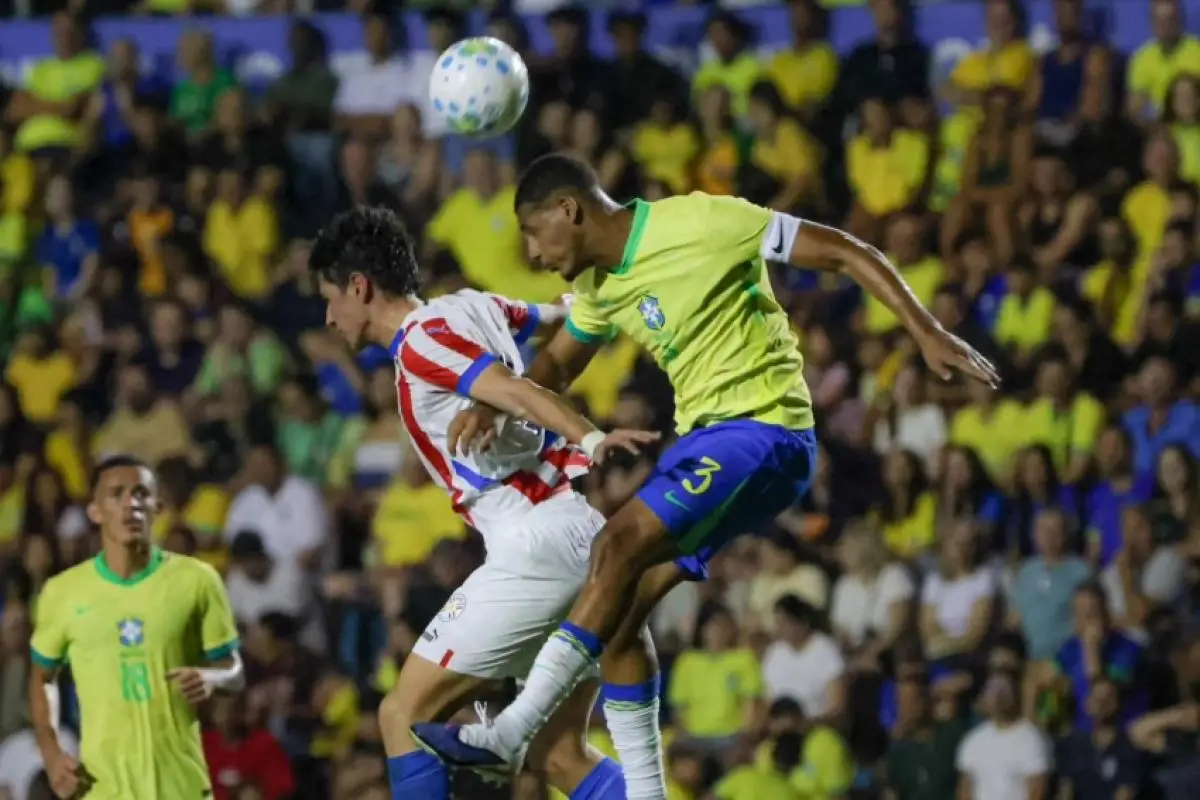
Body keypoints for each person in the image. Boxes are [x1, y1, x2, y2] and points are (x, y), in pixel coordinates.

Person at [413, 153, 999, 781]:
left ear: (569, 211)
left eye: (533, 232)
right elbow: (560, 362)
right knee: (621, 604)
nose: (531, 253)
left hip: (765, 429)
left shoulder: (702, 220)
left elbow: (843, 251)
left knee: (615, 545)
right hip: (706, 442)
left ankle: (512, 730)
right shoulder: (598, 286)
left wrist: (926, 330)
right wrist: (492, 404)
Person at [309, 207, 666, 800]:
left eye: (330, 299)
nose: (327, 316)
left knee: (404, 718)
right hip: (578, 532)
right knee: (557, 756)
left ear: (359, 287)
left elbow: (517, 390)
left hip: (534, 547)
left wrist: (591, 437)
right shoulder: (467, 306)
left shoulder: (421, 344)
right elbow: (557, 316)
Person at [26, 455, 243, 800]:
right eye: (117, 494)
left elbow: (235, 670)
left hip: (181, 786)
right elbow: (42, 677)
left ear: (157, 507)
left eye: (141, 494)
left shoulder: (197, 581)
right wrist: (51, 753)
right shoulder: (62, 592)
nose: (131, 503)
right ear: (95, 511)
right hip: (103, 789)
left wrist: (212, 678)